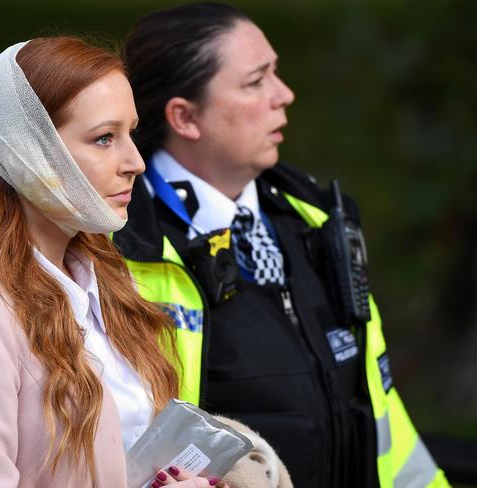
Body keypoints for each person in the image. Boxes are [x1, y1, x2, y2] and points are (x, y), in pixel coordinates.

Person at [113, 3, 450, 487]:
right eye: (256, 82)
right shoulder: (117, 251)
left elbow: (385, 425)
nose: (284, 95)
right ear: (185, 118)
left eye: (276, 73)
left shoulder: (319, 223)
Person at [0, 36, 225, 488]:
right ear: (28, 151)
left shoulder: (106, 281)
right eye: (104, 138)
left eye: (132, 133)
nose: (135, 162)